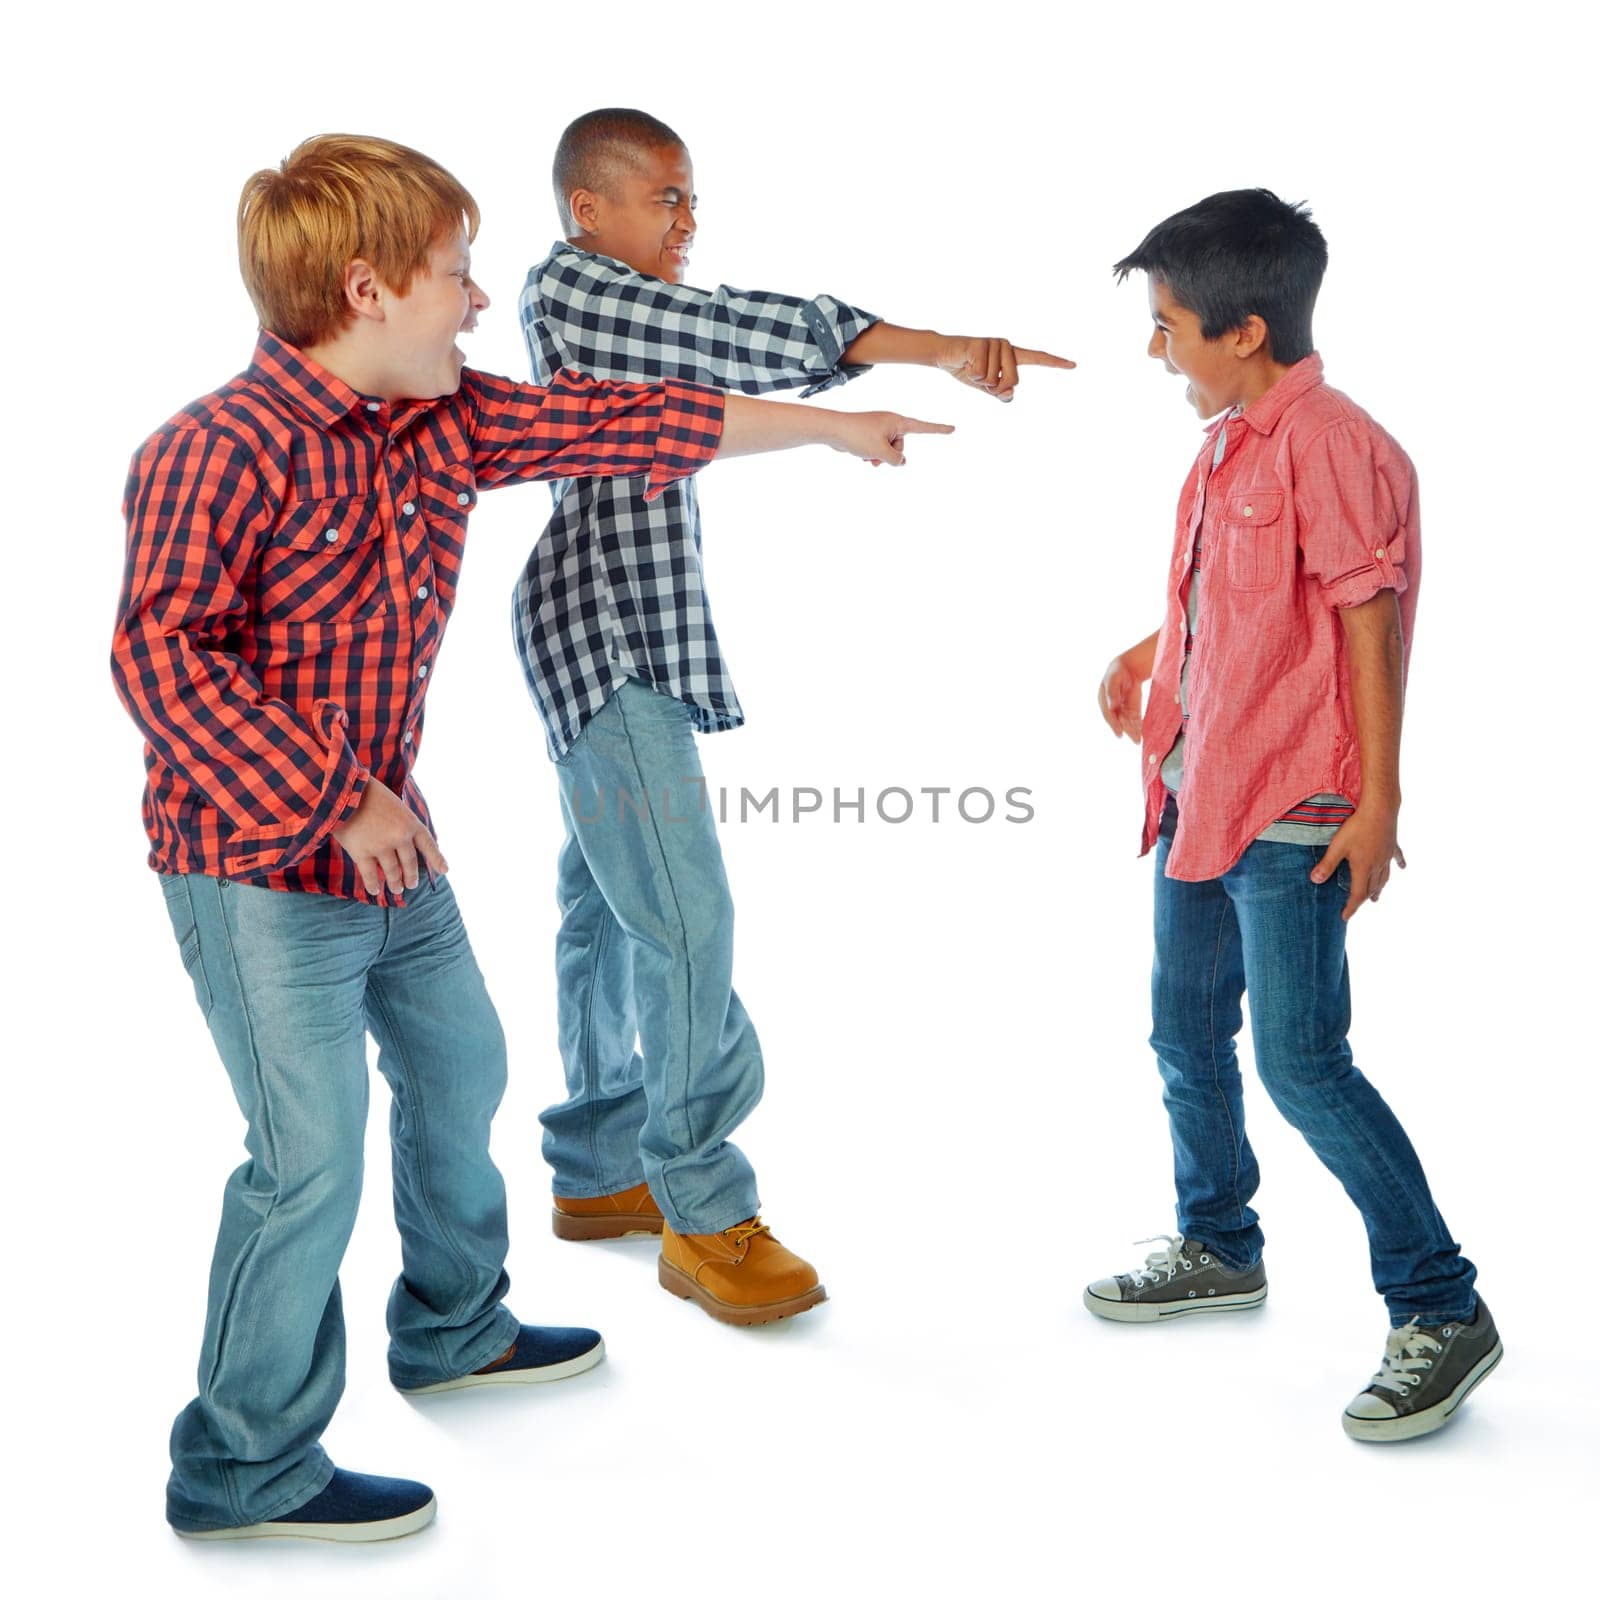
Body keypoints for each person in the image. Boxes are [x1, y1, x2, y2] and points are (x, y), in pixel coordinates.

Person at [111, 132, 952, 1542]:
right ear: (370, 289)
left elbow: (628, 427)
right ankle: (242, 1467)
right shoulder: (213, 450)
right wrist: (338, 795)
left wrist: (827, 425)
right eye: (456, 273)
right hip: (258, 868)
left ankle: (453, 1328)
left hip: (395, 854)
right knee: (306, 1159)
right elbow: (163, 661)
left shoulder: (443, 421)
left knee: (463, 1074)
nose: (481, 298)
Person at [520, 108, 1073, 1326]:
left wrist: (884, 376)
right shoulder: (576, 291)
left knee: (607, 916)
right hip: (606, 640)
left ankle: (603, 1166)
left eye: (691, 199)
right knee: (683, 917)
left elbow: (714, 378)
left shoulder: (616, 305)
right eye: (665, 198)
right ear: (588, 211)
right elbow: (729, 334)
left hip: (615, 635)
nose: (686, 220)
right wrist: (930, 347)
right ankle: (703, 1210)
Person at [1086, 188, 1499, 1441]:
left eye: (1168, 326)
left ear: (1244, 330)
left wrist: (1377, 801)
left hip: (1295, 801)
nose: (1156, 349)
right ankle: (1218, 1241)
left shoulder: (1329, 442)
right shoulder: (1228, 440)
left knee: (1300, 1060)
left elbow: (1365, 620)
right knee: (1183, 1025)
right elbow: (1252, 596)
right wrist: (1150, 649)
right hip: (1198, 782)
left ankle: (1441, 1303)